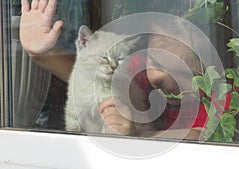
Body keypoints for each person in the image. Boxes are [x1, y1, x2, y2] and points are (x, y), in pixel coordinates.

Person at [20, 0, 214, 140]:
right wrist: (41, 53)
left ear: (209, 72)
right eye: (157, 63)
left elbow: (199, 137)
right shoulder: (137, 71)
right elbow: (88, 72)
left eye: (185, 73)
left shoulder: (219, 96)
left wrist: (137, 134)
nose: (163, 77)